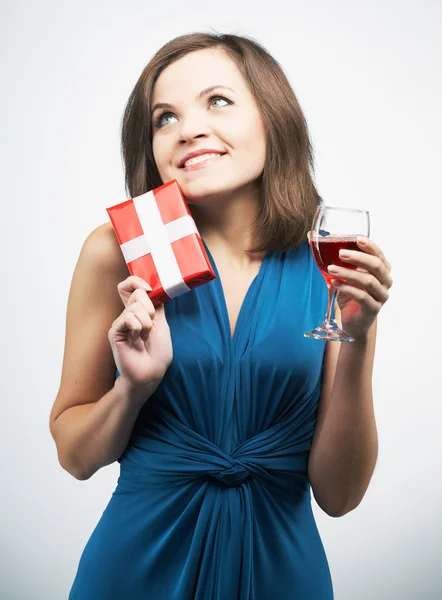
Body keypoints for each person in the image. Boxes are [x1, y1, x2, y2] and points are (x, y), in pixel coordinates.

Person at [49, 32, 393, 599]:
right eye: (164, 117)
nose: (188, 129)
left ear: (272, 119)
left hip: (282, 572)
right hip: (135, 570)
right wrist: (132, 390)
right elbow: (74, 458)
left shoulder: (331, 262)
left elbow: (340, 496)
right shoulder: (116, 252)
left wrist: (358, 336)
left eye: (218, 101)